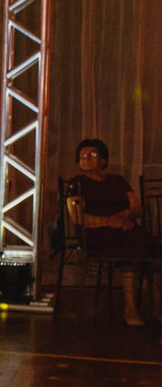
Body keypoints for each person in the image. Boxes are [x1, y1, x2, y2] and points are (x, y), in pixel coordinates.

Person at [65, 138, 160, 326]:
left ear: (103, 160)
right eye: (82, 156)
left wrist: (124, 217)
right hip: (96, 233)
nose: (86, 159)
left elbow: (136, 208)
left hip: (125, 228)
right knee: (133, 249)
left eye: (91, 155)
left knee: (152, 249)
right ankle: (130, 307)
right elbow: (77, 217)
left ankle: (156, 305)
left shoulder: (118, 181)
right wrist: (110, 222)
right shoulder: (77, 183)